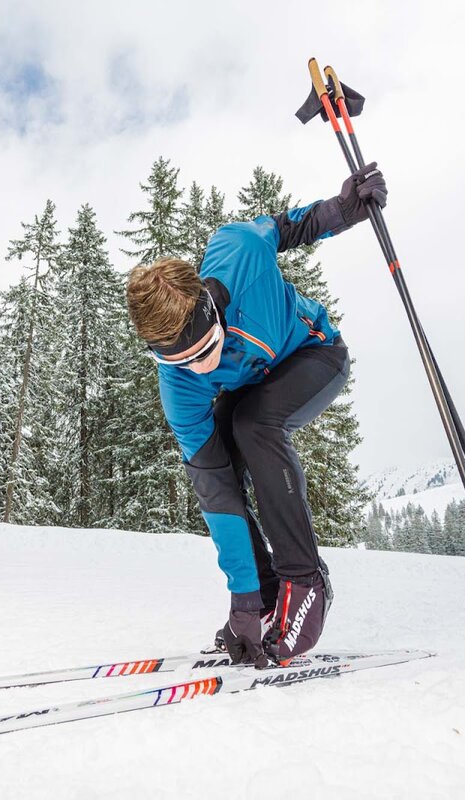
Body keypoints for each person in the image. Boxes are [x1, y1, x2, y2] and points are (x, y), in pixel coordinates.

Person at [125, 162, 388, 668]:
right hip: (253, 388)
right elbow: (216, 491)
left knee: (253, 424)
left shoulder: (237, 251)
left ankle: (305, 581)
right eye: (182, 360)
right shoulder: (180, 386)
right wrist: (243, 597)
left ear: (209, 304)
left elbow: (287, 227)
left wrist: (344, 209)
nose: (201, 366)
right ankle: (266, 596)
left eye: (207, 347)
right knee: (223, 450)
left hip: (314, 354)